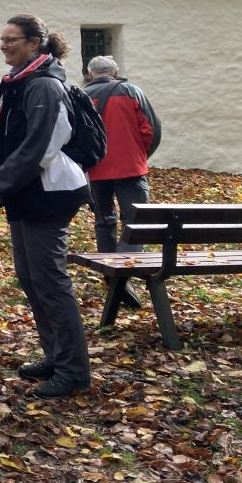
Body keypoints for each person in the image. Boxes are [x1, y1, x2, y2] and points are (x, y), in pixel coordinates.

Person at [0, 14, 92, 400]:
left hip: (50, 192)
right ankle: (55, 357)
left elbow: (42, 146)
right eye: (2, 38)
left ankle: (73, 371)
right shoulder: (18, 81)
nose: (4, 45)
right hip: (27, 192)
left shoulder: (43, 84)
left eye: (12, 39)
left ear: (34, 43)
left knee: (50, 281)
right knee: (30, 277)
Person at [84, 55, 162, 308]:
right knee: (137, 221)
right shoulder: (131, 92)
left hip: (96, 169)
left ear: (90, 73)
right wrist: (141, 155)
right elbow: (151, 129)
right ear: (115, 72)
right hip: (130, 167)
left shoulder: (81, 97)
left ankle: (112, 273)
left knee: (104, 220)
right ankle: (123, 273)